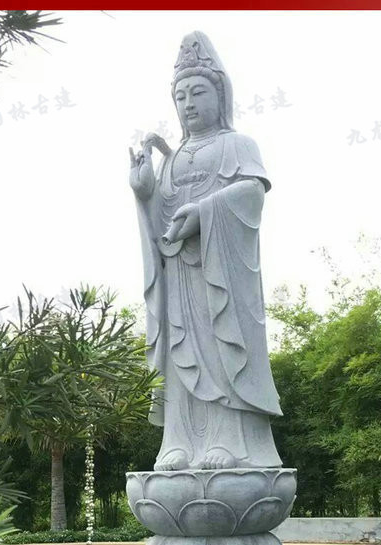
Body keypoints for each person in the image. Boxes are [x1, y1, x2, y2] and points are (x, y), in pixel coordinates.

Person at [129, 31, 283, 471]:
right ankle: (179, 441)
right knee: (180, 354)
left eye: (198, 92)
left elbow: (252, 193)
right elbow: (162, 222)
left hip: (222, 276)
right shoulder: (172, 158)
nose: (188, 104)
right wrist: (144, 190)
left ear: (220, 95)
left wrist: (205, 212)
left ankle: (230, 442)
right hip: (180, 276)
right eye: (180, 97)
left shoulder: (237, 144)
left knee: (220, 350)